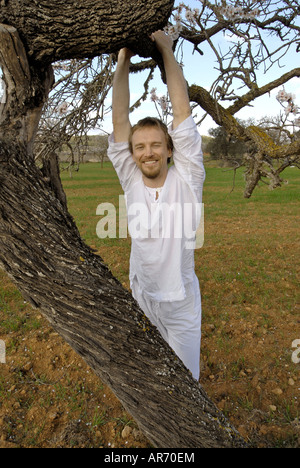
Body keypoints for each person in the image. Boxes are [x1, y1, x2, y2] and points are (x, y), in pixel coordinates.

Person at [107, 30, 205, 380]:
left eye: (156, 145)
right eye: (140, 146)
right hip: (143, 297)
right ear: (132, 154)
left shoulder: (188, 179)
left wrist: (165, 49)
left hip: (180, 305)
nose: (147, 152)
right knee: (152, 377)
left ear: (169, 149)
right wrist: (123, 60)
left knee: (187, 383)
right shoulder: (131, 178)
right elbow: (120, 121)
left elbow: (182, 111)